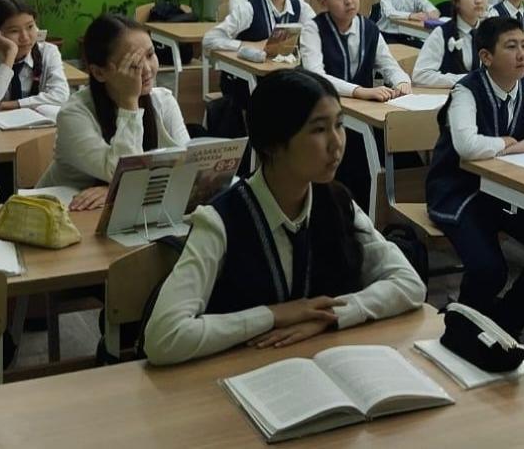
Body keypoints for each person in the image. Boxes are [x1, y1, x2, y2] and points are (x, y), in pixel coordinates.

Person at [143, 69, 426, 365]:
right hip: (241, 374)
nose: (337, 143)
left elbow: (409, 284)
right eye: (319, 130)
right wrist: (274, 316)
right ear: (272, 144)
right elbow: (164, 337)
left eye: (339, 125)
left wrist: (329, 316)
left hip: (324, 362)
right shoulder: (221, 220)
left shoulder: (337, 202)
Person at [426, 17, 524, 336]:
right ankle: (461, 329)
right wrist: (505, 143)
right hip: (459, 192)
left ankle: (504, 325)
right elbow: (467, 145)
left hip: (502, 193)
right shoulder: (466, 90)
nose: (522, 54)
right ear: (486, 57)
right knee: (489, 269)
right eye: (511, 47)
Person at [37, 15, 190, 209]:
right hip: (64, 211)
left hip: (126, 209)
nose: (147, 69)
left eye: (150, 55)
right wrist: (129, 103)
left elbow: (187, 168)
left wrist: (116, 190)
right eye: (132, 65)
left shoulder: (164, 101)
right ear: (99, 72)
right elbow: (122, 172)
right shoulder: (74, 115)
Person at [298, 0, 411, 209]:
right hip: (323, 111)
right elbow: (316, 75)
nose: (349, 1)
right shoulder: (313, 28)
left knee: (403, 152)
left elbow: (388, 64)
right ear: (323, 2)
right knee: (354, 159)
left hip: (363, 113)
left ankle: (385, 209)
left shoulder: (369, 28)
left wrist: (402, 82)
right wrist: (359, 91)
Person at [0, 0, 70, 113]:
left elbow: (61, 95)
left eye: (30, 27)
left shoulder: (48, 51)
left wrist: (12, 105)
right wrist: (10, 54)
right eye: (14, 31)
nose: (25, 37)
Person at [412, 0, 488, 87]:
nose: (479, 0)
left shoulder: (490, 33)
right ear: (456, 0)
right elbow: (420, 75)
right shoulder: (442, 33)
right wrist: (465, 79)